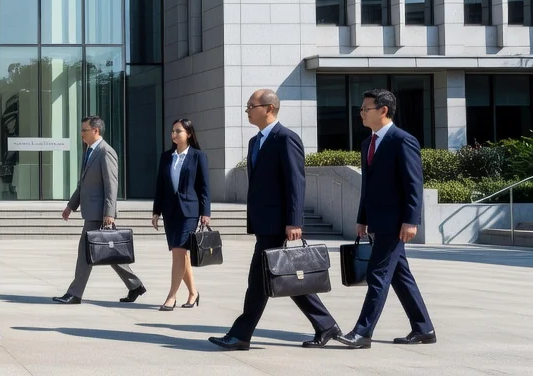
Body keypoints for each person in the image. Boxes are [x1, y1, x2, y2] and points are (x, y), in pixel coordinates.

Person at [210, 89, 340, 351]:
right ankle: (326, 325)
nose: (247, 110)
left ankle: (241, 335)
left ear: (268, 108)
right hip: (263, 221)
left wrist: (294, 221)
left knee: (260, 280)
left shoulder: (286, 138)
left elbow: (296, 183)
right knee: (282, 276)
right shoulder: (255, 141)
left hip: (279, 222)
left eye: (251, 105)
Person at [332, 89, 436, 349]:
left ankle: (362, 333)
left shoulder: (403, 140)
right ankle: (424, 328)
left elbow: (414, 184)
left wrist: (411, 221)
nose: (361, 113)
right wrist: (362, 218)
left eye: (366, 109)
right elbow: (367, 186)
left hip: (395, 223)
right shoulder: (368, 143)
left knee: (377, 274)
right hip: (377, 221)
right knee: (401, 276)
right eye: (361, 109)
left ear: (383, 110)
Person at [55, 116, 147, 305]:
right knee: (109, 253)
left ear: (96, 131)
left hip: (100, 214)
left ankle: (75, 294)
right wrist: (71, 206)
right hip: (91, 211)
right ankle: (135, 285)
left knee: (85, 254)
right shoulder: (88, 152)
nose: (81, 133)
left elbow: (111, 185)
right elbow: (83, 185)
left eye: (84, 130)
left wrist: (109, 213)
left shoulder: (106, 152)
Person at [149, 118, 210, 311]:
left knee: (179, 253)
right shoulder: (166, 157)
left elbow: (204, 187)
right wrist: (156, 211)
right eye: (173, 131)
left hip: (189, 212)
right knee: (181, 255)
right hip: (170, 211)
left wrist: (205, 212)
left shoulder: (198, 156)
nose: (174, 134)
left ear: (189, 134)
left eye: (178, 131)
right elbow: (160, 186)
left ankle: (171, 296)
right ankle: (193, 293)